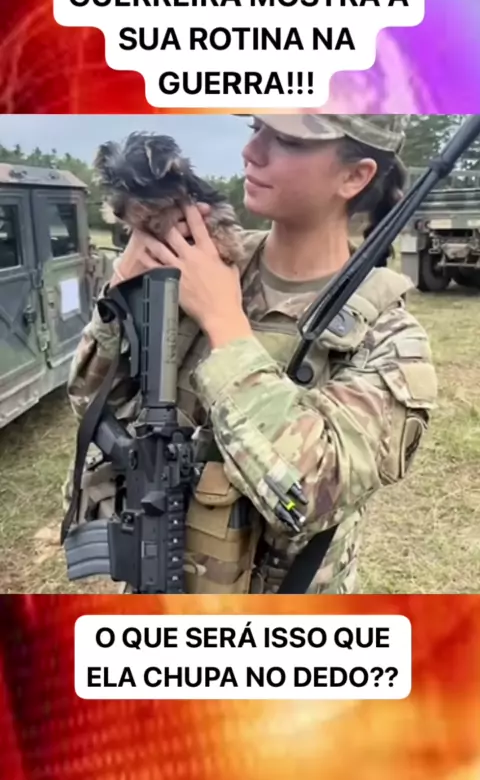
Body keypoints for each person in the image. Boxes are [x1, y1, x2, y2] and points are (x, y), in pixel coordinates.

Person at [64, 114, 438, 595]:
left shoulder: (388, 336)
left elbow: (305, 497)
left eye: (286, 140)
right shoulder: (196, 259)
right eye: (255, 128)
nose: (251, 152)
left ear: (354, 176)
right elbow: (92, 405)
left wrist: (223, 322)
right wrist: (121, 292)